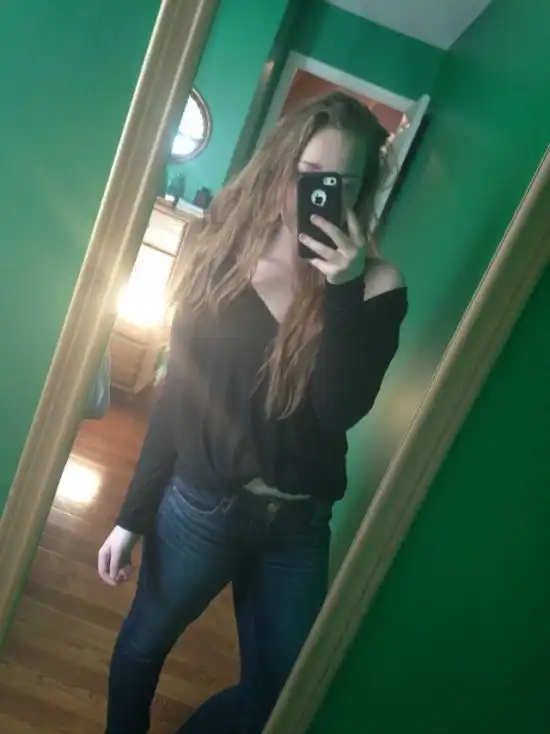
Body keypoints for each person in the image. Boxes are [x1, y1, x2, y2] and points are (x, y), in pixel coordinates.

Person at [97, 91, 408, 734]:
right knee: (142, 647)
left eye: (342, 182)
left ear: (362, 191)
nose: (321, 194)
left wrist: (342, 288)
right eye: (309, 173)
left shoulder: (377, 285)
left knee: (279, 695)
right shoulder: (220, 256)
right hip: (201, 506)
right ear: (281, 166)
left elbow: (337, 411)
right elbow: (178, 397)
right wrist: (131, 516)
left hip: (298, 525)